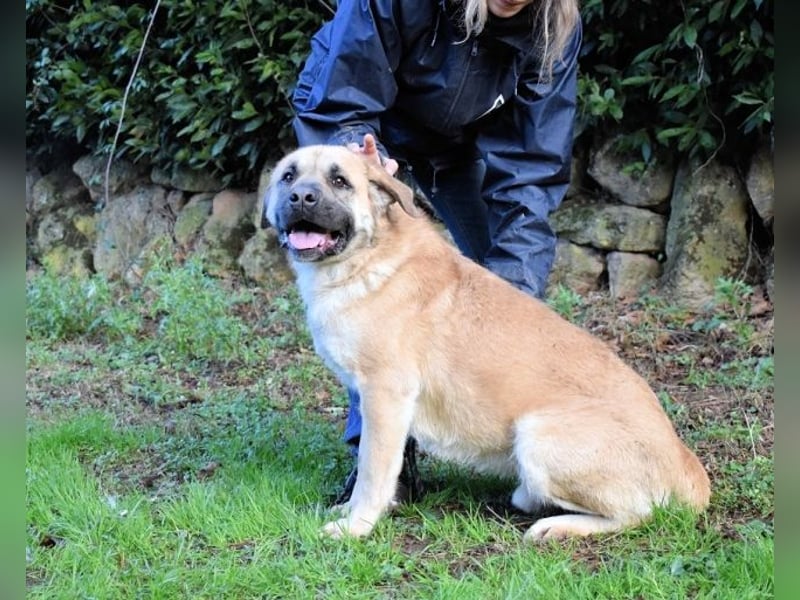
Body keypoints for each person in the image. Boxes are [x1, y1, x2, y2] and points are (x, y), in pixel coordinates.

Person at [291, 0, 582, 504]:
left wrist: (506, 303)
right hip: (363, 134)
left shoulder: (554, 28)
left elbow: (531, 168)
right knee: (377, 300)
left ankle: (500, 432)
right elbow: (343, 93)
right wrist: (364, 157)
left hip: (459, 150)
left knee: (501, 290)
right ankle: (384, 467)